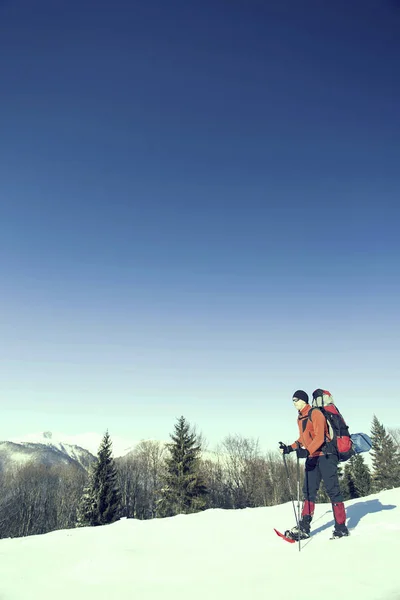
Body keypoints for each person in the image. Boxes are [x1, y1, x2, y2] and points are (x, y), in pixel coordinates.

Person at [279, 389, 349, 540]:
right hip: (312, 457)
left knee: (333, 491)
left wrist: (306, 451)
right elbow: (303, 439)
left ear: (304, 400)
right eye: (293, 400)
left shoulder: (315, 413)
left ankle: (341, 528)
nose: (294, 403)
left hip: (326, 456)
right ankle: (304, 527)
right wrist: (289, 448)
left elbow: (320, 438)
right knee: (309, 492)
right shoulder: (300, 418)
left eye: (296, 400)